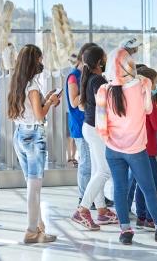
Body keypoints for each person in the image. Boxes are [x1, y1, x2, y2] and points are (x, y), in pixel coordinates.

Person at [95, 48, 157, 245]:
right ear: (130, 66)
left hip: (113, 149)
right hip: (136, 149)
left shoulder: (103, 90)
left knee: (120, 188)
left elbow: (100, 127)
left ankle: (125, 231)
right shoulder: (142, 84)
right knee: (148, 189)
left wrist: (113, 142)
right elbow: (148, 109)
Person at [7, 44, 61, 243]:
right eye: (40, 59)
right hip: (34, 137)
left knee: (31, 185)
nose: (42, 62)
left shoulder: (18, 84)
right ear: (33, 61)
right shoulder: (33, 86)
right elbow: (39, 116)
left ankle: (39, 227)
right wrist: (51, 101)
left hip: (19, 135)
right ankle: (31, 231)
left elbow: (31, 109)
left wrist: (45, 100)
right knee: (34, 187)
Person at [71, 45, 118, 230]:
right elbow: (106, 106)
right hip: (96, 130)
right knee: (104, 171)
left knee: (97, 170)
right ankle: (82, 210)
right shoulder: (98, 80)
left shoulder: (90, 78)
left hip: (89, 128)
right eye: (105, 59)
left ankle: (101, 210)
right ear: (100, 62)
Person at [135, 66, 157, 230]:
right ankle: (149, 217)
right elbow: (156, 124)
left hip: (138, 146)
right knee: (154, 183)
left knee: (141, 184)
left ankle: (141, 215)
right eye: (155, 82)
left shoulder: (135, 98)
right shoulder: (149, 100)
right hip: (148, 148)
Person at [66, 43, 95, 205]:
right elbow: (75, 101)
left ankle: (92, 196)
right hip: (79, 124)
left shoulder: (82, 75)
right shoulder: (74, 76)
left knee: (92, 162)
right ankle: (83, 198)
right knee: (85, 163)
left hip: (88, 124)